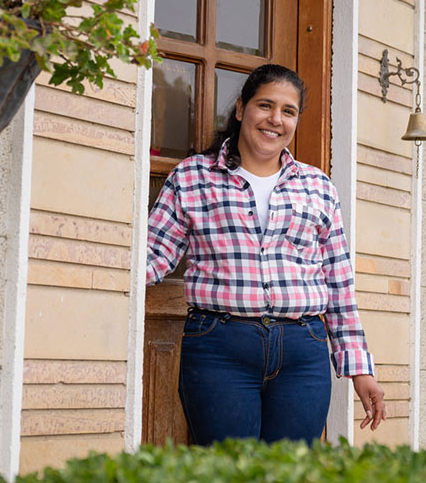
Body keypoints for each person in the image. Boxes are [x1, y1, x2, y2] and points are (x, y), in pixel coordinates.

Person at [146, 64, 385, 445]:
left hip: (302, 353)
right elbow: (153, 254)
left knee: (290, 472)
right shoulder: (192, 177)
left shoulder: (318, 186)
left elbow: (338, 283)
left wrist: (360, 369)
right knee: (227, 472)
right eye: (265, 105)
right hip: (219, 347)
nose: (275, 119)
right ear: (241, 109)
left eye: (288, 111)